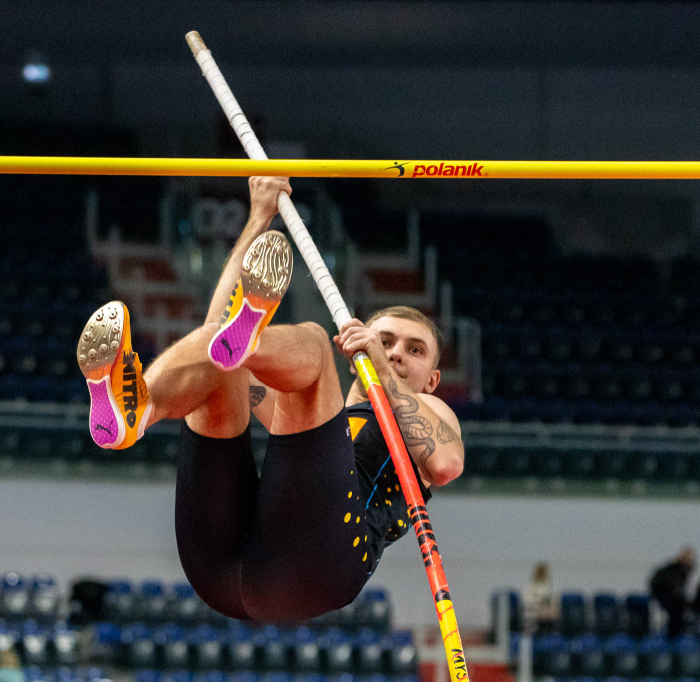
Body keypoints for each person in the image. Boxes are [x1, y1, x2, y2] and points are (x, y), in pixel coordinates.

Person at [76, 176, 464, 622]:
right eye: (387, 340)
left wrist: (377, 359)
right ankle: (139, 412)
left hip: (322, 566)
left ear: (432, 379)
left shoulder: (432, 410)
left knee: (314, 345)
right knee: (221, 366)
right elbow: (213, 341)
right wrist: (257, 217)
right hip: (225, 571)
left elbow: (445, 465)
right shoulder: (306, 410)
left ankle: (251, 341)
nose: (395, 351)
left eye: (413, 349)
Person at [649, 546, 696, 638]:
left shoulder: (676, 568)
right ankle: (674, 636)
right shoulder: (679, 569)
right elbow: (677, 588)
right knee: (676, 612)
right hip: (664, 594)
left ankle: (676, 634)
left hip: (664, 594)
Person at [525, 561, 559, 633]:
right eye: (545, 571)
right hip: (535, 612)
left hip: (546, 613)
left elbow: (551, 596)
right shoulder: (533, 584)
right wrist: (539, 602)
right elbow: (529, 598)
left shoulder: (548, 583)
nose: (547, 573)